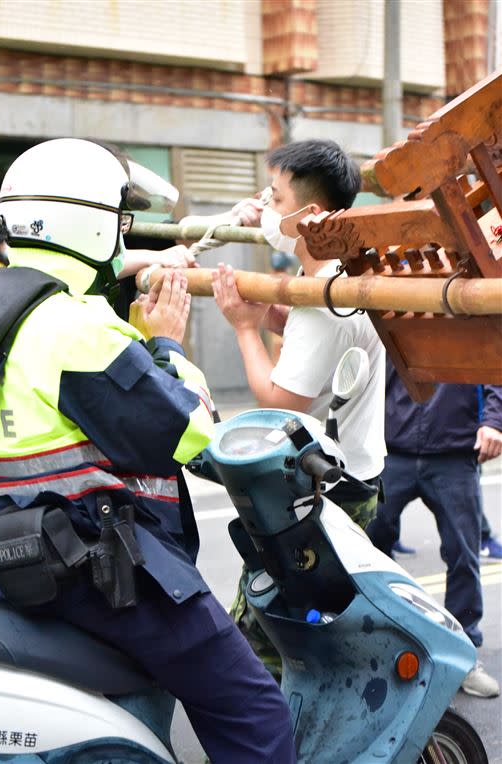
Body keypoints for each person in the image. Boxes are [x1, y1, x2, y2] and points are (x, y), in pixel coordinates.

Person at [0, 138, 296, 763]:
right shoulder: (76, 329)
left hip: (10, 556)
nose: (124, 232)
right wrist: (167, 346)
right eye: (121, 217)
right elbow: (191, 432)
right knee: (253, 708)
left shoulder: (10, 304)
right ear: (93, 220)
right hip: (89, 568)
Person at [211, 139, 386, 679]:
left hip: (324, 490)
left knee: (264, 632)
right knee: (315, 619)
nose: (264, 205)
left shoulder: (321, 302)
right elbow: (329, 354)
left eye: (274, 195)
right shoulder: (342, 276)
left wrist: (243, 327)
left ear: (309, 215)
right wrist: (269, 317)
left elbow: (279, 400)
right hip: (355, 474)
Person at [367, 359, 502, 699]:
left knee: (463, 556)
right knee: (366, 554)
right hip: (391, 451)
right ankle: (372, 647)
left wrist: (494, 422)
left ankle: (464, 656)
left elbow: (494, 366)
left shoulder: (467, 313)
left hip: (454, 454)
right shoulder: (390, 310)